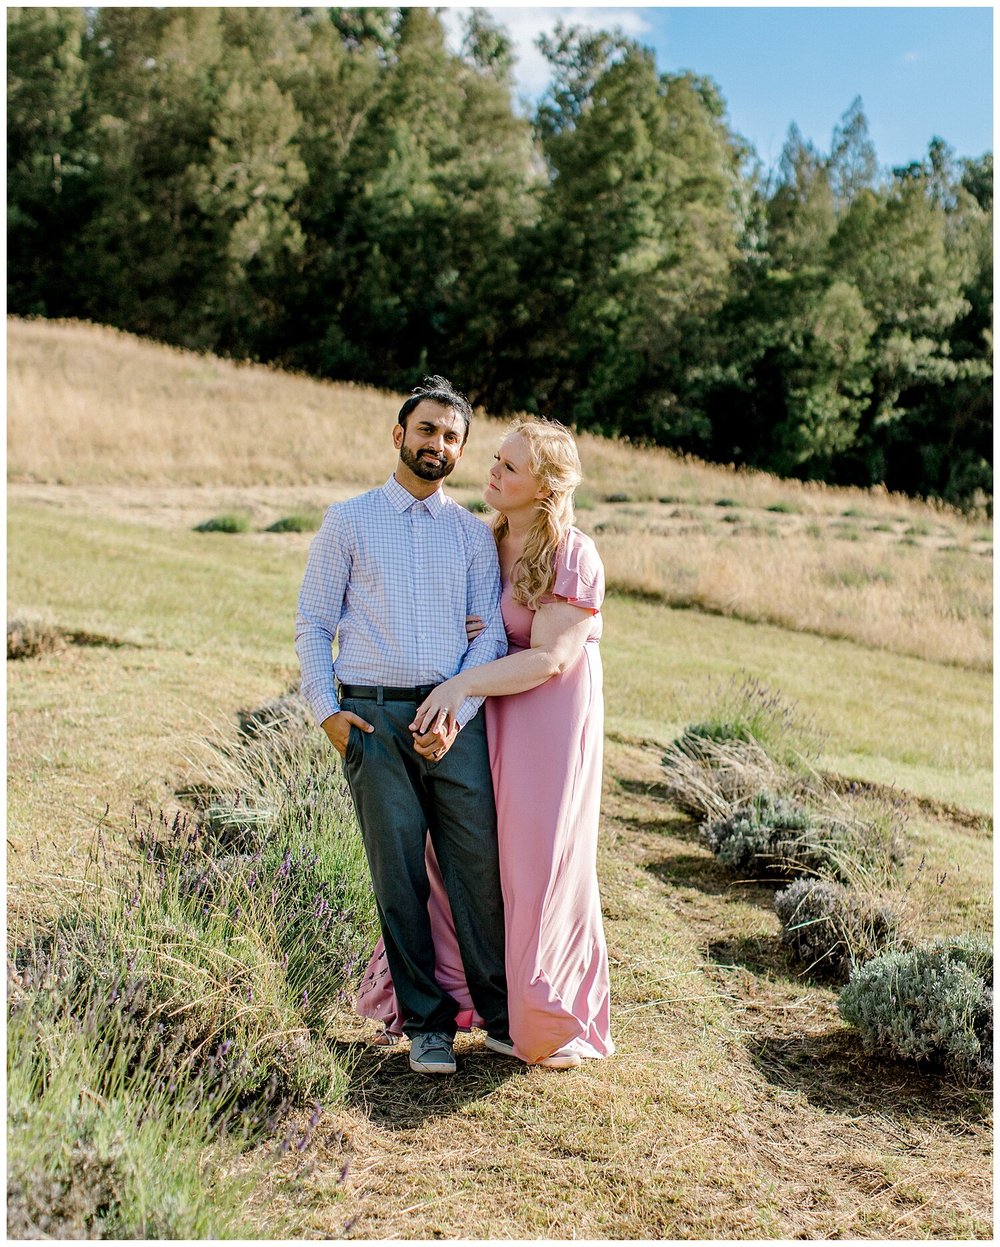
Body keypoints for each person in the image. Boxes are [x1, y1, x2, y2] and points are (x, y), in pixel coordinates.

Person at [357, 417, 615, 1070]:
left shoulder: (572, 554)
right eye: (496, 458)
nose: (492, 470)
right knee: (457, 857)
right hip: (488, 712)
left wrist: (464, 680)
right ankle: (451, 1003)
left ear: (546, 488)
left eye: (511, 466)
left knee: (537, 865)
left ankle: (548, 1018)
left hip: (549, 722)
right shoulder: (482, 537)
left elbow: (553, 657)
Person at [295, 376, 513, 1077]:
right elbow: (313, 623)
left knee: (476, 869)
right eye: (427, 430)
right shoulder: (349, 521)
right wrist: (328, 711)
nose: (438, 445)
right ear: (399, 434)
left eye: (452, 437)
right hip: (372, 718)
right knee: (398, 876)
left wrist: (456, 714)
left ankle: (504, 1014)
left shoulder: (474, 536)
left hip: (452, 720)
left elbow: (490, 644)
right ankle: (426, 1024)